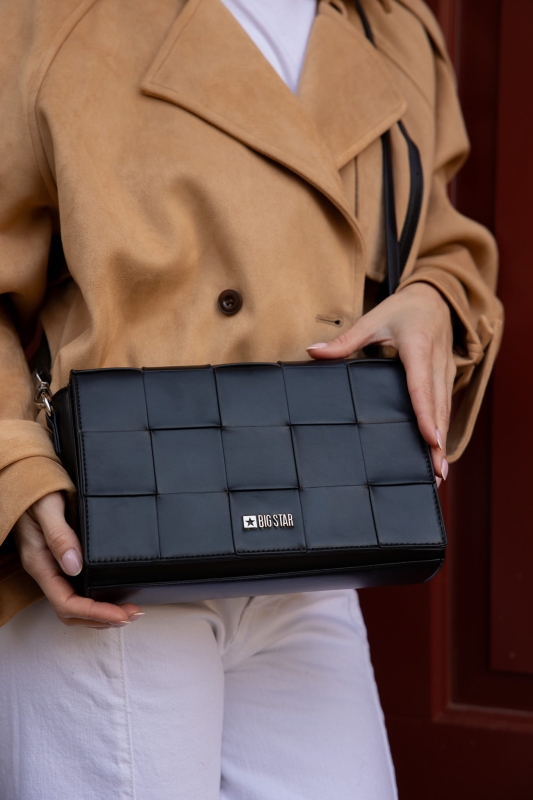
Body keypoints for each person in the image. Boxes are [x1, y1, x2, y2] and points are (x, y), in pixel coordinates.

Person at [0, 0, 503, 797]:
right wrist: (14, 469)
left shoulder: (390, 23)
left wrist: (436, 296)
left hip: (313, 548)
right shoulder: (50, 16)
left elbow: (437, 234)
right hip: (113, 548)